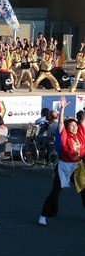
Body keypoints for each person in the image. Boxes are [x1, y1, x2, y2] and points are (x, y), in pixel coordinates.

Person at [39, 96, 85, 226]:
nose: (74, 127)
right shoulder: (64, 135)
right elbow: (60, 124)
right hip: (65, 166)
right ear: (67, 127)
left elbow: (83, 120)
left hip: (78, 166)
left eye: (75, 125)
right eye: (71, 126)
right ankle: (44, 215)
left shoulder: (81, 134)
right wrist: (62, 109)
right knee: (55, 191)